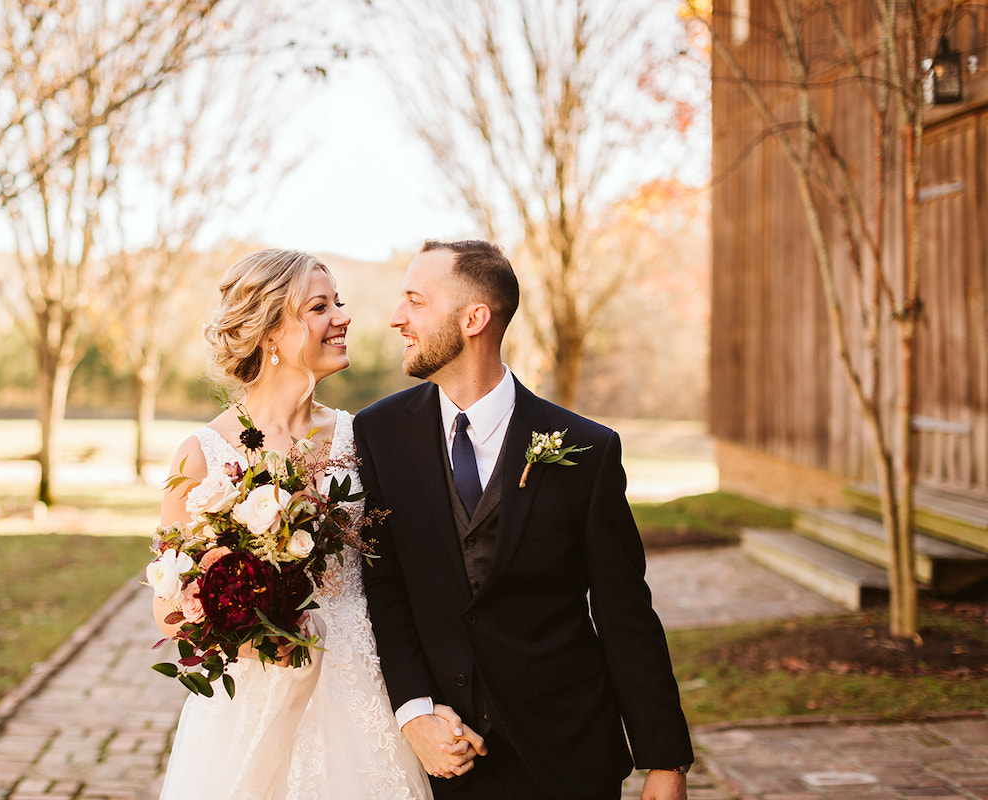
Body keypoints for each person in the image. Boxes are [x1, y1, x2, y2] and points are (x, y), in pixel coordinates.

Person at [353, 240, 694, 800]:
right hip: (443, 752)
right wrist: (415, 713)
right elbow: (384, 587)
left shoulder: (587, 449)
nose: (397, 318)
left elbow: (624, 610)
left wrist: (665, 759)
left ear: (474, 319)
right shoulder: (379, 433)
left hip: (566, 753)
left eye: (415, 301)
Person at [154, 249, 433, 800]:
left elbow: (401, 573)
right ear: (269, 332)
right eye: (320, 307)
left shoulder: (363, 438)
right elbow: (169, 611)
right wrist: (260, 640)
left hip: (363, 690)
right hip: (252, 705)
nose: (343, 317)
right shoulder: (201, 456)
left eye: (340, 304)